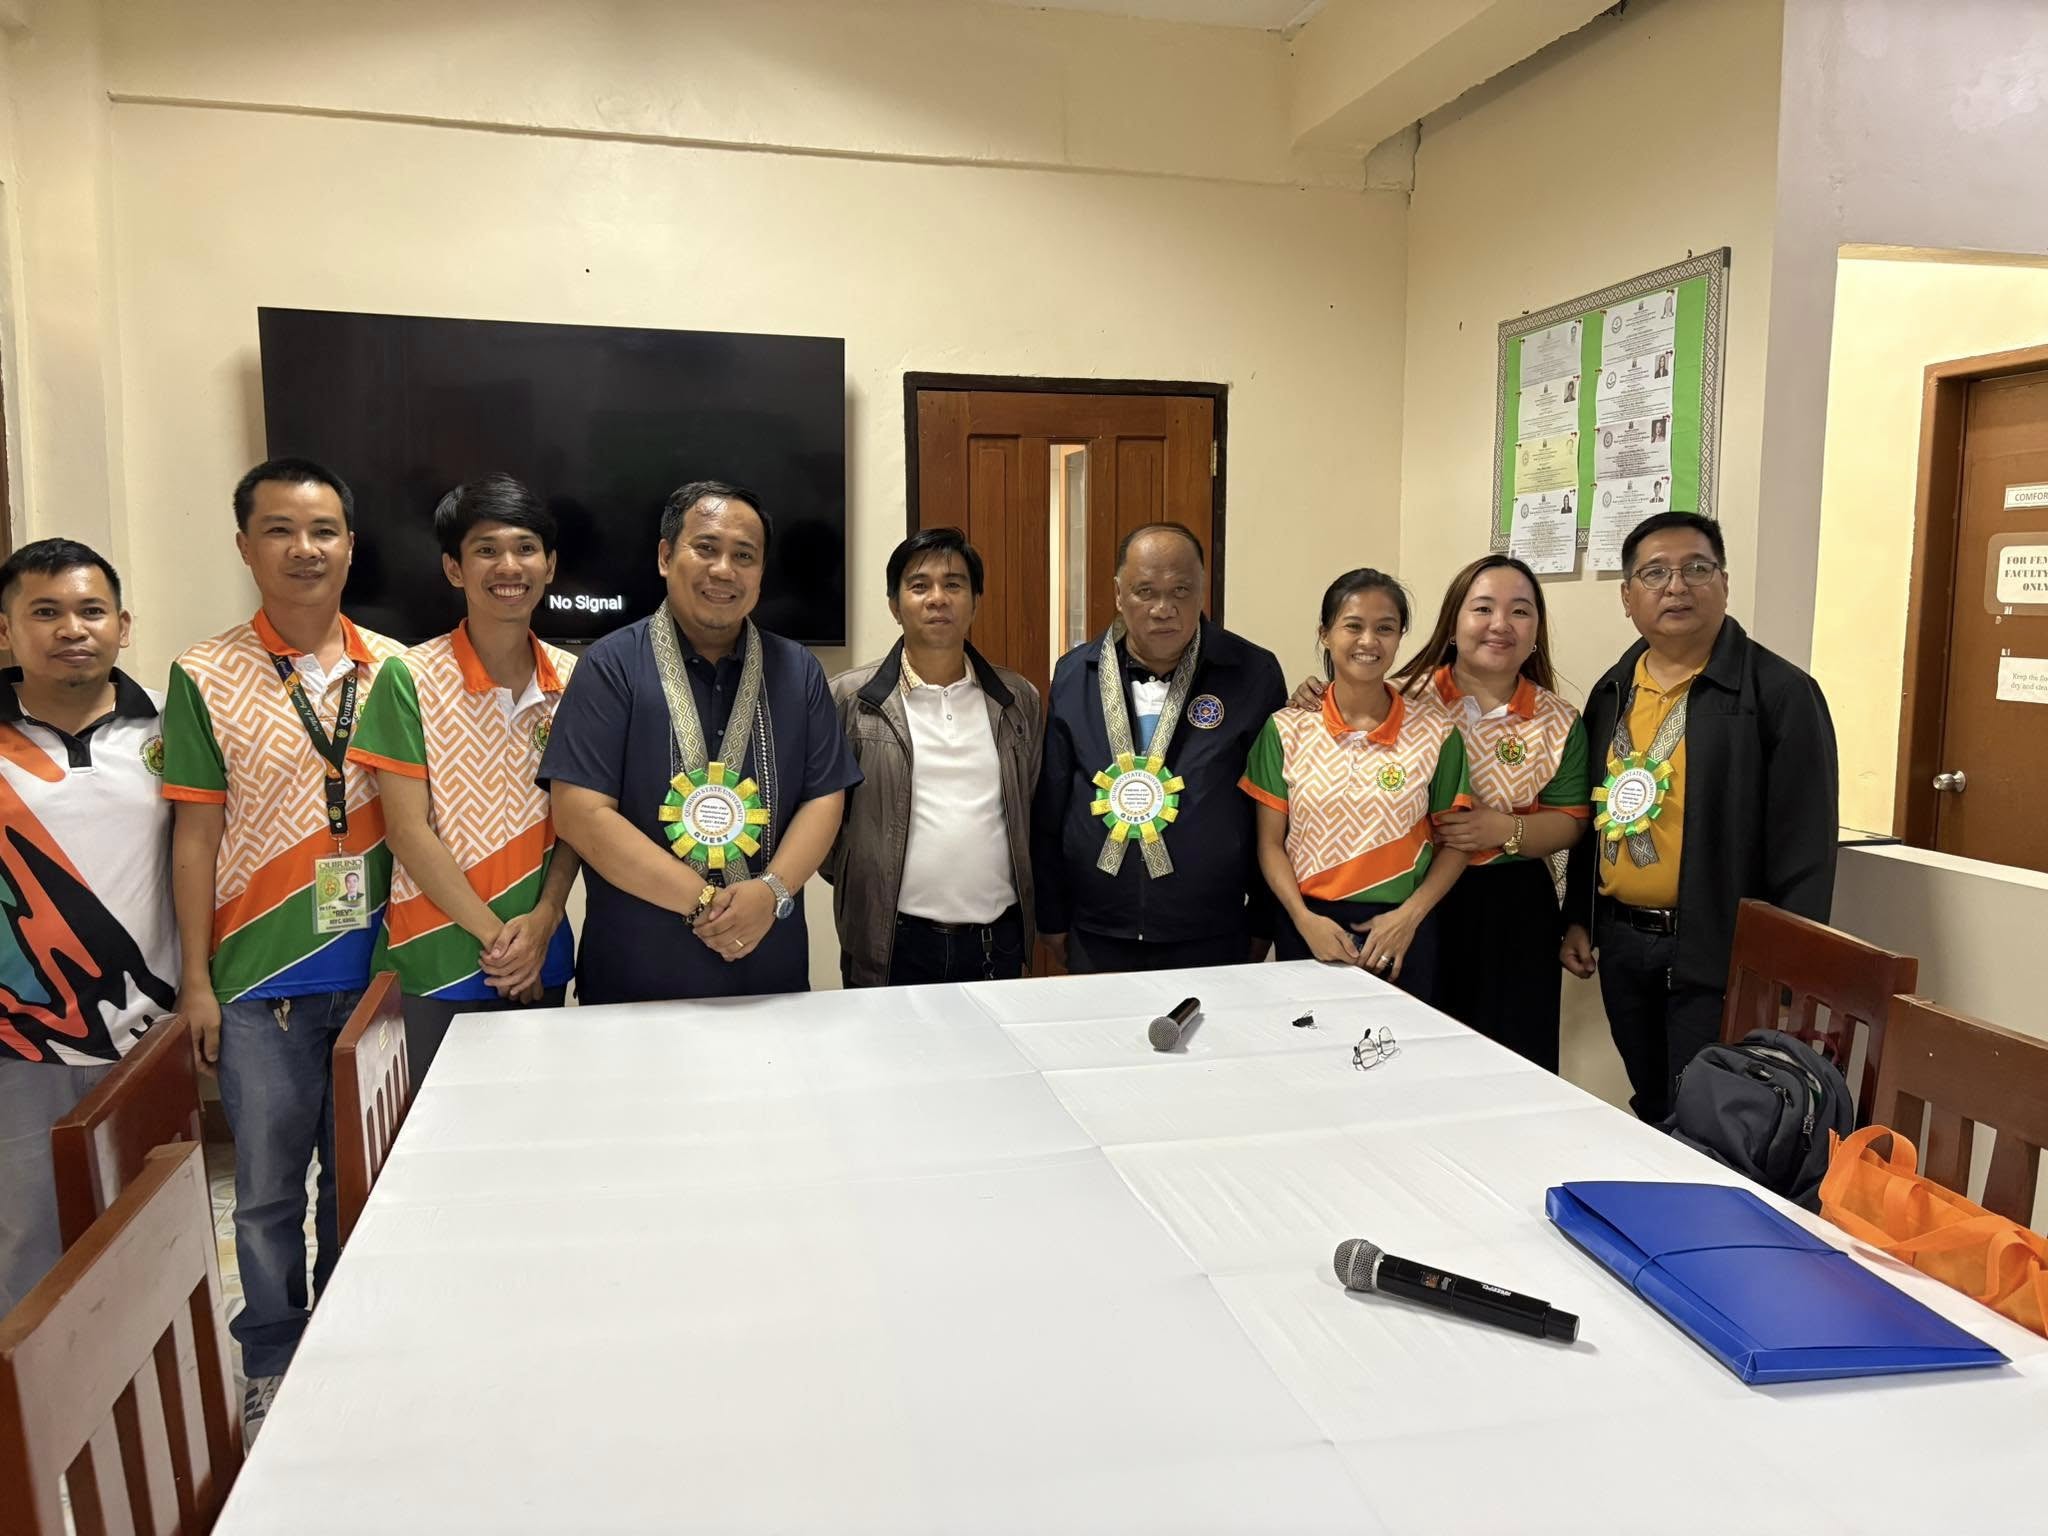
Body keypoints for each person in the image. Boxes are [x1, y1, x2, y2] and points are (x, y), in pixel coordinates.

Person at [161, 457, 403, 1436]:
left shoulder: (396, 668)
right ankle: (269, 1358)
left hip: (378, 974)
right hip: (259, 983)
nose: (305, 549)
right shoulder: (202, 674)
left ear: (350, 545)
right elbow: (194, 836)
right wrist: (196, 982)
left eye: (324, 530)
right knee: (263, 1194)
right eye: (280, 530)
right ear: (244, 546)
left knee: (360, 1185)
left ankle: (346, 1354)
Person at [1562, 511, 1838, 1122]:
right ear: (1627, 597)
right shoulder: (1612, 691)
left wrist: (1788, 973)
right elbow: (1593, 811)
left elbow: (1805, 848)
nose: (1676, 587)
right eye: (1654, 573)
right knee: (1652, 1103)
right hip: (1624, 943)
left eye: (1696, 569)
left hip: (1720, 951)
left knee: (1712, 1117)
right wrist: (1579, 916)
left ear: (1725, 583)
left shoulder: (1778, 693)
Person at [541, 480, 858, 1002]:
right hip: (635, 978)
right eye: (706, 548)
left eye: (744, 556)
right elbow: (580, 814)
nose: (724, 570)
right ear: (666, 556)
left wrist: (770, 892)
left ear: (761, 573)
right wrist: (707, 903)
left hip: (768, 973)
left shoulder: (798, 670)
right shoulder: (610, 666)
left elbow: (825, 797)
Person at [348, 475, 580, 1078]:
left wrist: (543, 924)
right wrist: (502, 943)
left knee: (534, 1121)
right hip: (432, 960)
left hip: (541, 956)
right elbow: (406, 831)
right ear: (454, 568)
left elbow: (579, 825)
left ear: (550, 565)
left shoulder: (575, 680)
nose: (509, 566)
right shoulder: (407, 677)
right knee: (431, 1129)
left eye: (526, 548)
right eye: (486, 549)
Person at [0, 539, 178, 1314]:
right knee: (28, 1250)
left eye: (90, 610)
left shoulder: (174, 729)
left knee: (153, 1237)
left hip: (151, 1034)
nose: (71, 628)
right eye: (45, 611)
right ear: (6, 630)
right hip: (17, 1046)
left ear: (123, 626)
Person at [1033, 523, 1285, 974]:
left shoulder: (1253, 673)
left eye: (1180, 590)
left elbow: (1274, 808)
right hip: (1098, 930)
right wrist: (1051, 914)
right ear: (1118, 594)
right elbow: (1052, 803)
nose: (1163, 609)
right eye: (1145, 591)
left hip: (1212, 930)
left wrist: (1263, 920)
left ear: (1203, 590)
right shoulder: (1074, 675)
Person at [1391, 556, 1589, 1067]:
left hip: (1513, 912)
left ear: (1536, 632)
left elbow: (1571, 821)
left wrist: (1504, 829)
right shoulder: (1400, 700)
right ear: (1452, 623)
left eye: (1520, 611)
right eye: (1483, 608)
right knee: (1414, 1057)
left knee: (1513, 1066)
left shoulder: (1559, 720)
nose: (1501, 624)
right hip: (1413, 899)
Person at [825, 528, 1041, 986]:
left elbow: (1033, 807)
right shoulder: (850, 699)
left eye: (954, 584)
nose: (937, 598)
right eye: (919, 585)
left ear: (975, 602)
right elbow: (824, 828)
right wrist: (857, 876)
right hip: (891, 943)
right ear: (894, 604)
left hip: (996, 942)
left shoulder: (1017, 699)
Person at [1245, 569, 1471, 999]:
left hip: (1402, 932)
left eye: (1385, 628)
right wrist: (1302, 918)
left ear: (1400, 636)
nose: (1369, 641)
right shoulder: (1286, 728)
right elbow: (1270, 844)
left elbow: (1457, 844)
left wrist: (1408, 918)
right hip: (1308, 926)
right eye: (1353, 626)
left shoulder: (1437, 732)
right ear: (1325, 634)